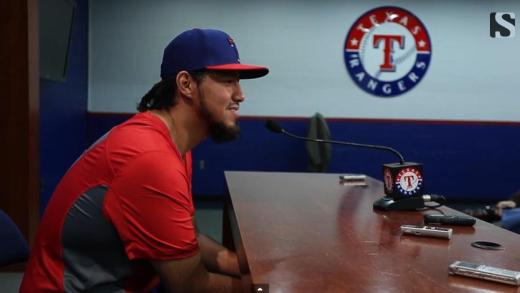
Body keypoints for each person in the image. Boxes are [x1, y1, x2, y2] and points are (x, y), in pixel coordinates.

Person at [21, 28, 268, 292]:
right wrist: (267, 288)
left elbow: (188, 237)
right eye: (228, 81)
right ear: (186, 84)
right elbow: (191, 286)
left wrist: (239, 263)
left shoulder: (173, 144)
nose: (240, 95)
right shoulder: (151, 158)